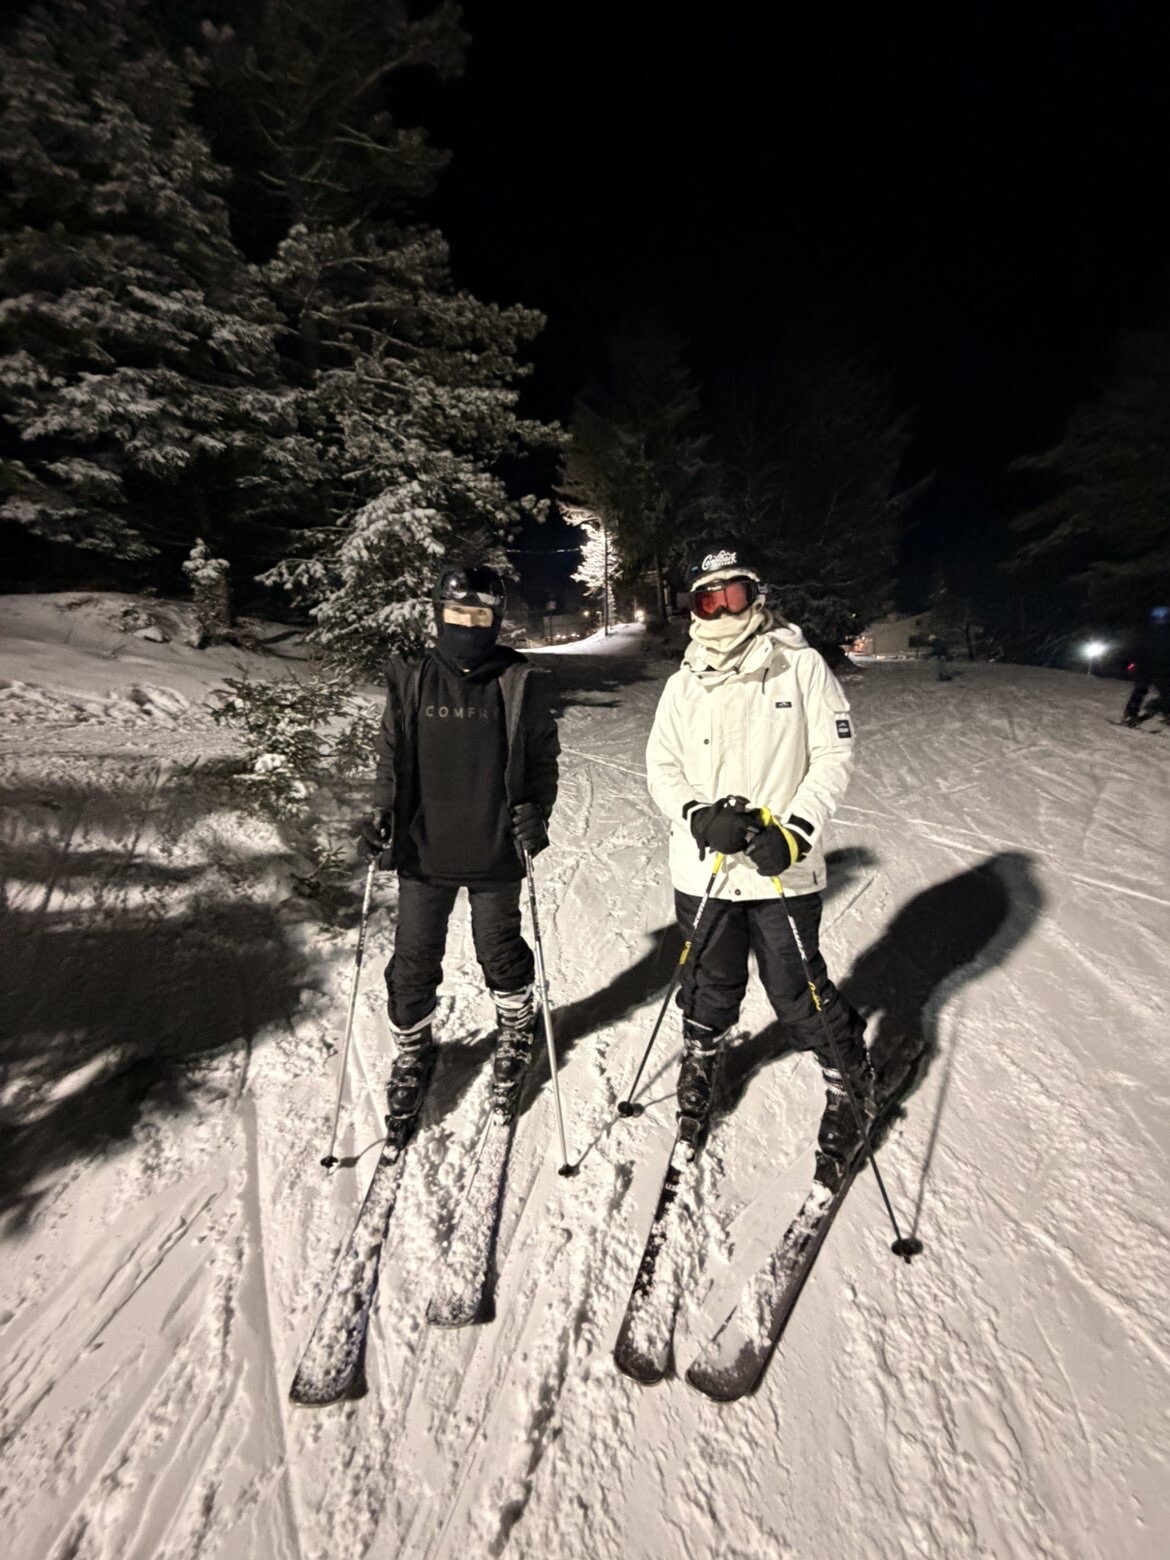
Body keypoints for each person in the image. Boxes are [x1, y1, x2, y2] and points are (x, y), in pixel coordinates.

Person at [645, 542, 869, 1184]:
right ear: (693, 607)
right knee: (708, 982)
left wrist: (796, 832)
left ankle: (849, 1080)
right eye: (707, 600)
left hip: (781, 869)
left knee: (796, 991)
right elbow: (661, 767)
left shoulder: (800, 666)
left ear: (756, 596)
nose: (722, 611)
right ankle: (702, 1058)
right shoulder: (682, 684)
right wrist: (696, 815)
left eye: (733, 595)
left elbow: (833, 757)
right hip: (704, 872)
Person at [357, 562, 559, 1134]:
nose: (468, 625)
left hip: (495, 848)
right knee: (414, 958)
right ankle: (413, 1047)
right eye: (456, 614)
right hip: (424, 851)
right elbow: (390, 756)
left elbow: (543, 761)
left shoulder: (516, 679)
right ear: (437, 614)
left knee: (500, 950)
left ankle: (516, 1027)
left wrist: (536, 815)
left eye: (480, 615)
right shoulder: (415, 677)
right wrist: (380, 813)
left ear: (496, 619)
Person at [1121, 607, 1170, 727]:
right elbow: (1136, 648)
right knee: (1141, 690)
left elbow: (1136, 648)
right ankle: (1131, 714)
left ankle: (1166, 712)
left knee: (1165, 692)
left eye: (1162, 618)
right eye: (1158, 618)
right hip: (1148, 667)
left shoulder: (1155, 632)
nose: (1160, 620)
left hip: (1159, 668)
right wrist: (1130, 662)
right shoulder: (1146, 632)